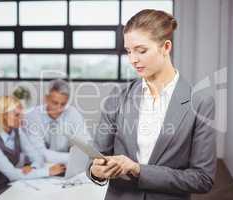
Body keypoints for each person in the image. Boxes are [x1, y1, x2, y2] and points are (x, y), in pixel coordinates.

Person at [87, 9, 216, 200]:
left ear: (165, 47)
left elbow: (202, 178)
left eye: (141, 50)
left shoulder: (200, 101)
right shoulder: (117, 97)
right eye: (129, 51)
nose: (133, 60)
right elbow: (96, 158)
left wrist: (139, 170)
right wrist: (95, 170)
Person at [0, 96, 65, 200]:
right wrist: (48, 171)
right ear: (3, 116)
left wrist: (33, 168)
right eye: (17, 115)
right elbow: (13, 174)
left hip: (6, 186)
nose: (21, 118)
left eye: (21, 114)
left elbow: (37, 156)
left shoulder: (17, 132)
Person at [21, 79, 89, 164]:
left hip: (65, 166)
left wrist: (80, 153)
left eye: (63, 104)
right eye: (55, 103)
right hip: (37, 166)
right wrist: (73, 158)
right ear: (46, 98)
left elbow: (86, 144)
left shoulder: (72, 113)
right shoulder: (32, 117)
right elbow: (40, 154)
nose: (59, 108)